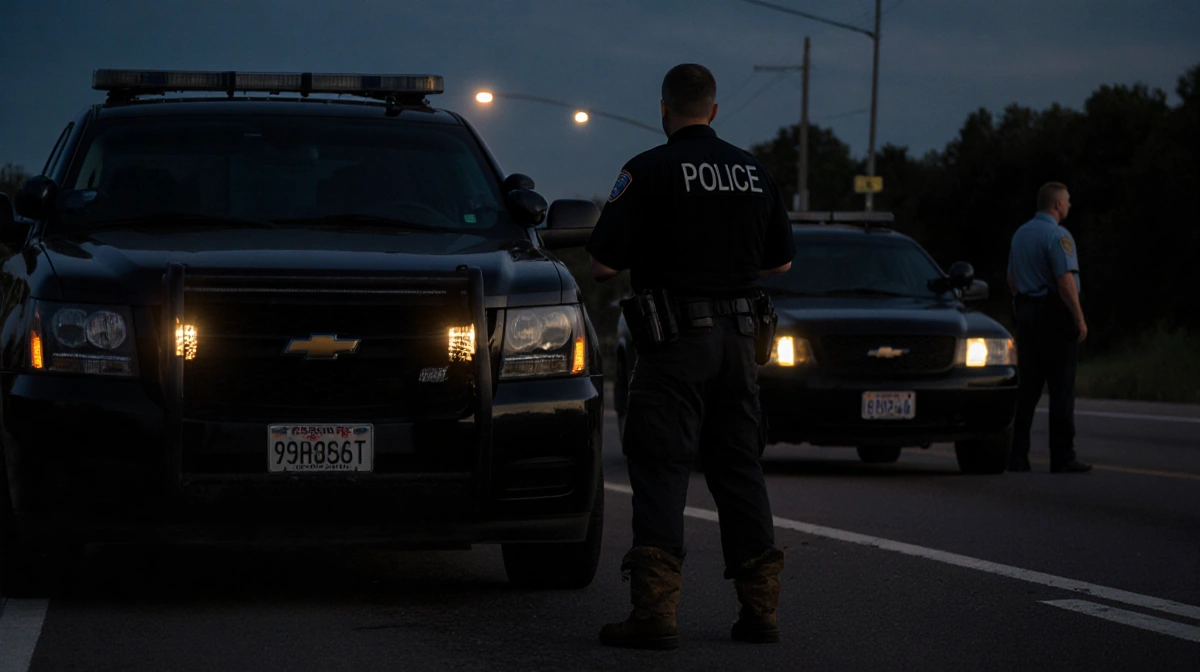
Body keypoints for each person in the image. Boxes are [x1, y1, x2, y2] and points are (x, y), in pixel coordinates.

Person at [587, 63, 795, 649]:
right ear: (714, 110)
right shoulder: (755, 172)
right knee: (739, 471)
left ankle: (654, 615)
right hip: (740, 346)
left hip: (675, 344)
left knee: (660, 465)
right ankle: (761, 612)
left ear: (664, 110)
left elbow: (602, 265)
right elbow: (780, 262)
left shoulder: (646, 170)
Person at [1006, 181, 1092, 474]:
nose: (1069, 205)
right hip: (1054, 317)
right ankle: (1062, 456)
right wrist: (1078, 318)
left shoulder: (1020, 234)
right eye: (1067, 201)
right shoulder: (1058, 236)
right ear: (1057, 205)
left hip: (1028, 315)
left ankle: (1017, 455)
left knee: (1027, 389)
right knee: (1061, 389)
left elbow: (1012, 280)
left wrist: (1022, 309)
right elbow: (1065, 281)